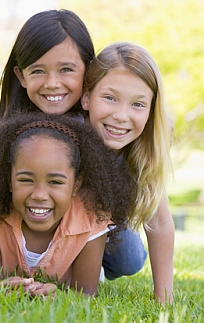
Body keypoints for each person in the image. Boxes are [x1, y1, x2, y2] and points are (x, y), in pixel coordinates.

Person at [0, 112, 136, 297]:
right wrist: (0, 288)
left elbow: (86, 293)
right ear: (10, 181)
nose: (39, 195)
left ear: (76, 184)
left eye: (55, 182)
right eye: (26, 180)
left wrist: (60, 296)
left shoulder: (91, 219)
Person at [81, 42, 174, 304]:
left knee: (129, 258)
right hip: (54, 218)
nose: (121, 116)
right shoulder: (68, 133)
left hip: (103, 221)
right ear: (87, 97)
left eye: (138, 104)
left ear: (151, 109)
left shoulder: (144, 148)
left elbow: (161, 223)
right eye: (110, 98)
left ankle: (94, 263)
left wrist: (163, 299)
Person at [0, 9, 94, 120]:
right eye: (38, 71)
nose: (52, 84)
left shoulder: (101, 123)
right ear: (21, 76)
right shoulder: (7, 120)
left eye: (66, 69)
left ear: (89, 71)